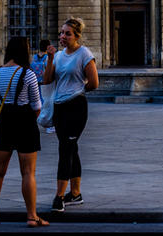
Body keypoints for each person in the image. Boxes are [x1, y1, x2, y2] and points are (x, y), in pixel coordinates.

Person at [0, 36, 48, 227]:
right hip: (24, 121)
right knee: (28, 173)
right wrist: (29, 119)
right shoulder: (27, 74)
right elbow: (37, 105)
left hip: (2, 120)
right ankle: (31, 216)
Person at [43, 18, 99, 213]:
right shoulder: (58, 56)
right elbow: (47, 80)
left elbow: (93, 83)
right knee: (71, 148)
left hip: (76, 106)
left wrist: (76, 91)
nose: (62, 36)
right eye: (61, 33)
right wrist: (50, 59)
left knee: (65, 149)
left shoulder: (84, 54)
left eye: (67, 33)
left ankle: (59, 196)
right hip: (59, 107)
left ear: (76, 36)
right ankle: (75, 194)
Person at [30, 39, 54, 134]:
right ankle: (49, 125)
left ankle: (37, 120)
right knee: (47, 102)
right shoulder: (47, 57)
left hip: (36, 82)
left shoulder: (34, 57)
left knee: (38, 102)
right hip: (45, 82)